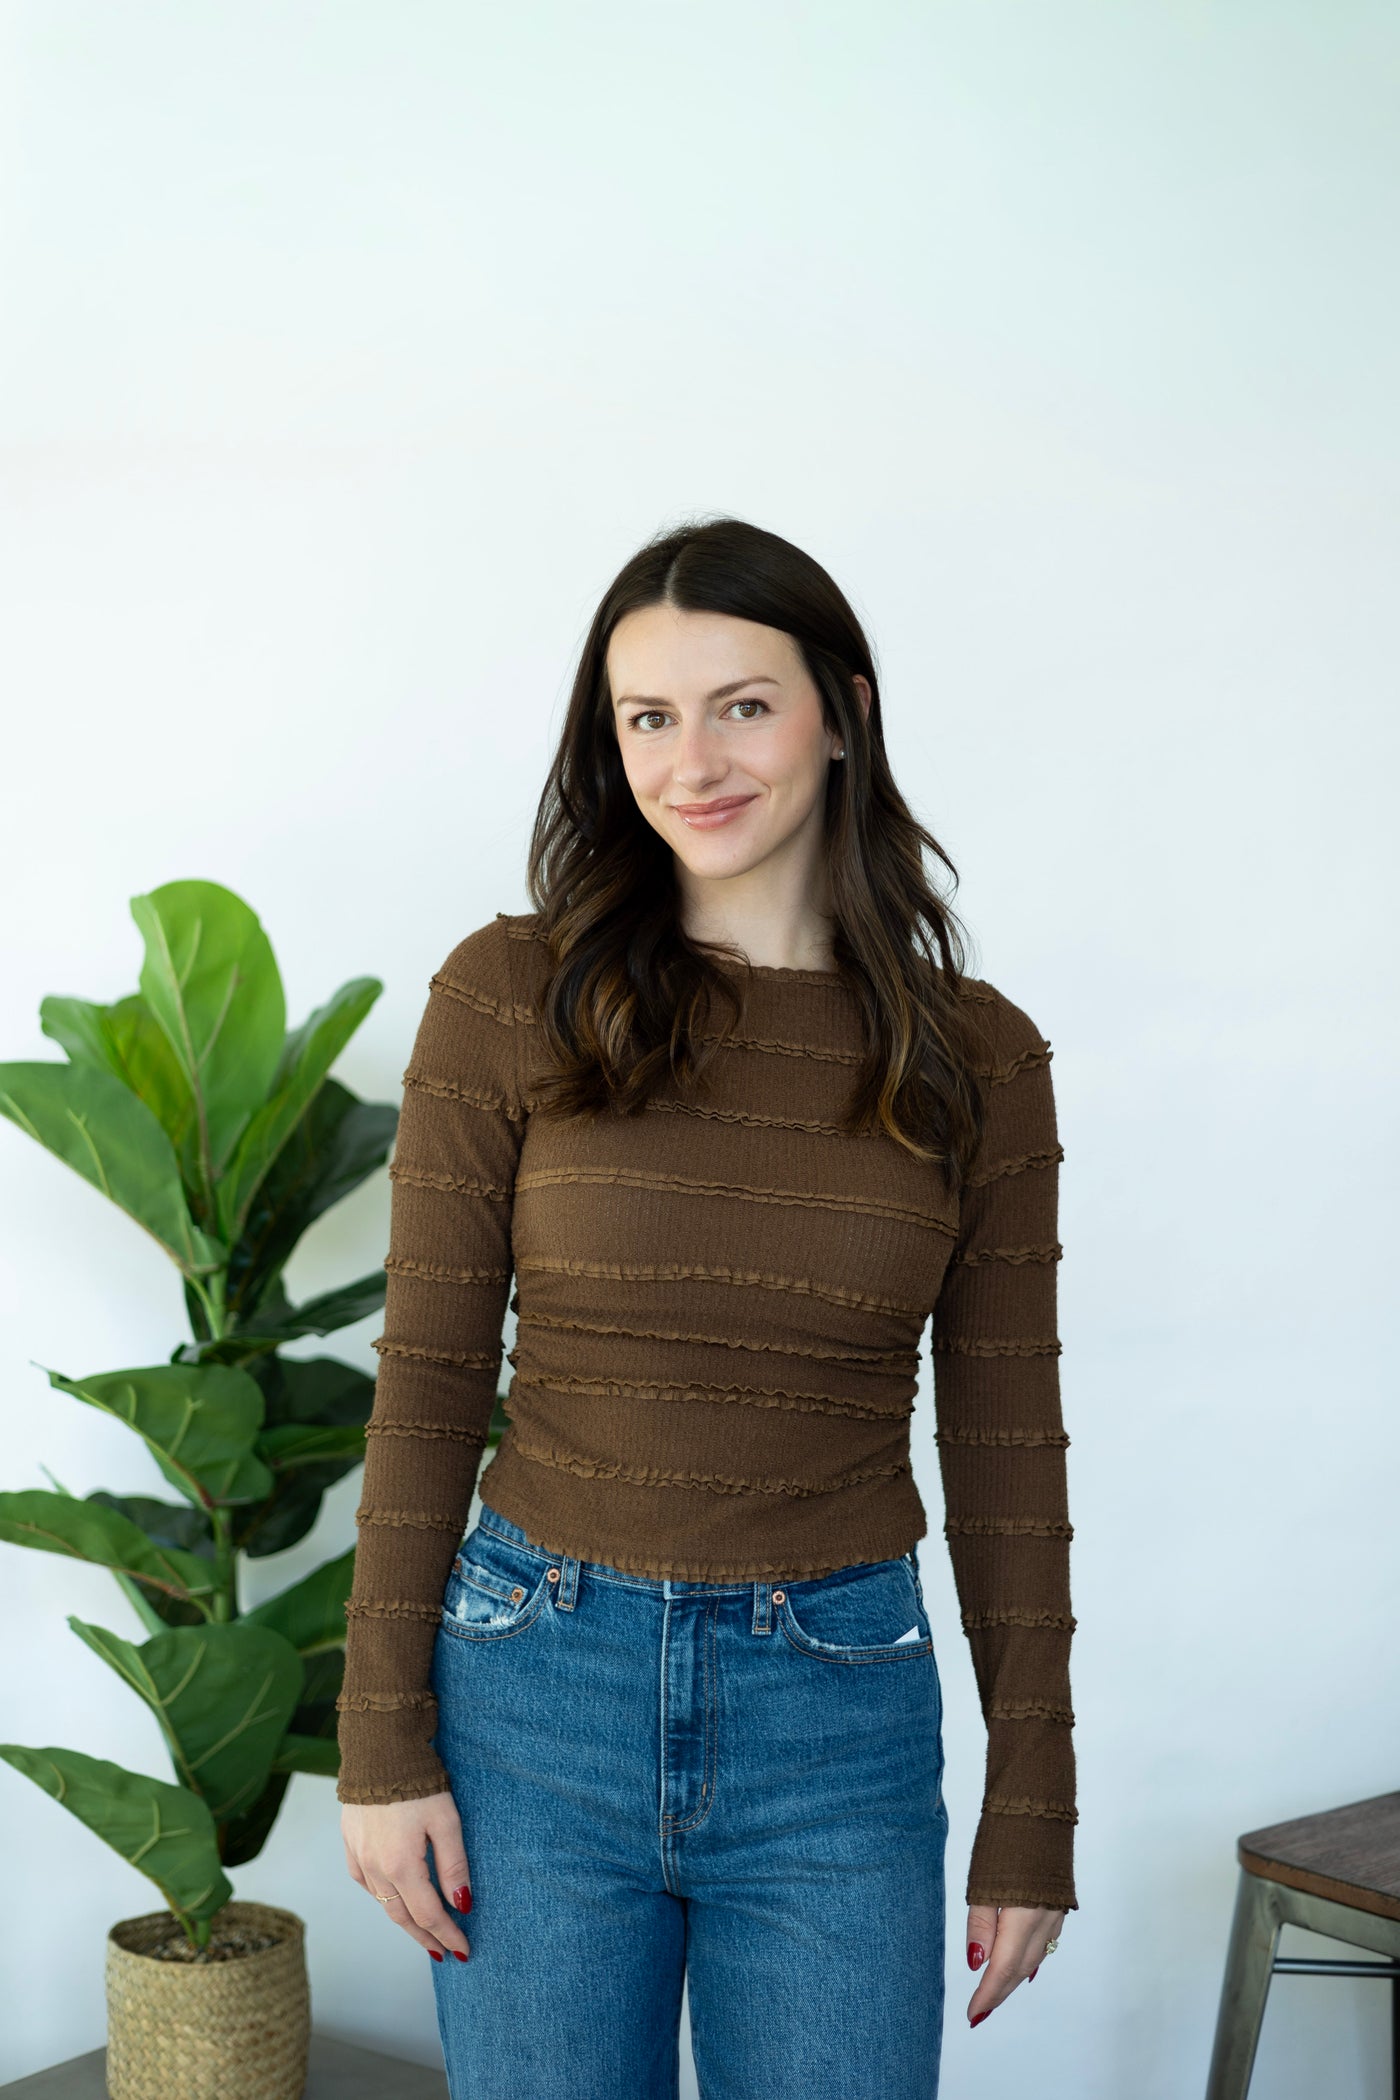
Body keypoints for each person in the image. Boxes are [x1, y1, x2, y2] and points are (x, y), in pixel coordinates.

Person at [337, 515, 1077, 2099]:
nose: (695, 761)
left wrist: (1037, 1799)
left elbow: (1009, 1442)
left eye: (744, 703)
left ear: (845, 711)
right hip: (534, 1690)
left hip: (837, 1714)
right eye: (647, 718)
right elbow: (431, 1383)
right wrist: (379, 1740)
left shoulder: (979, 1058)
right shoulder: (510, 994)